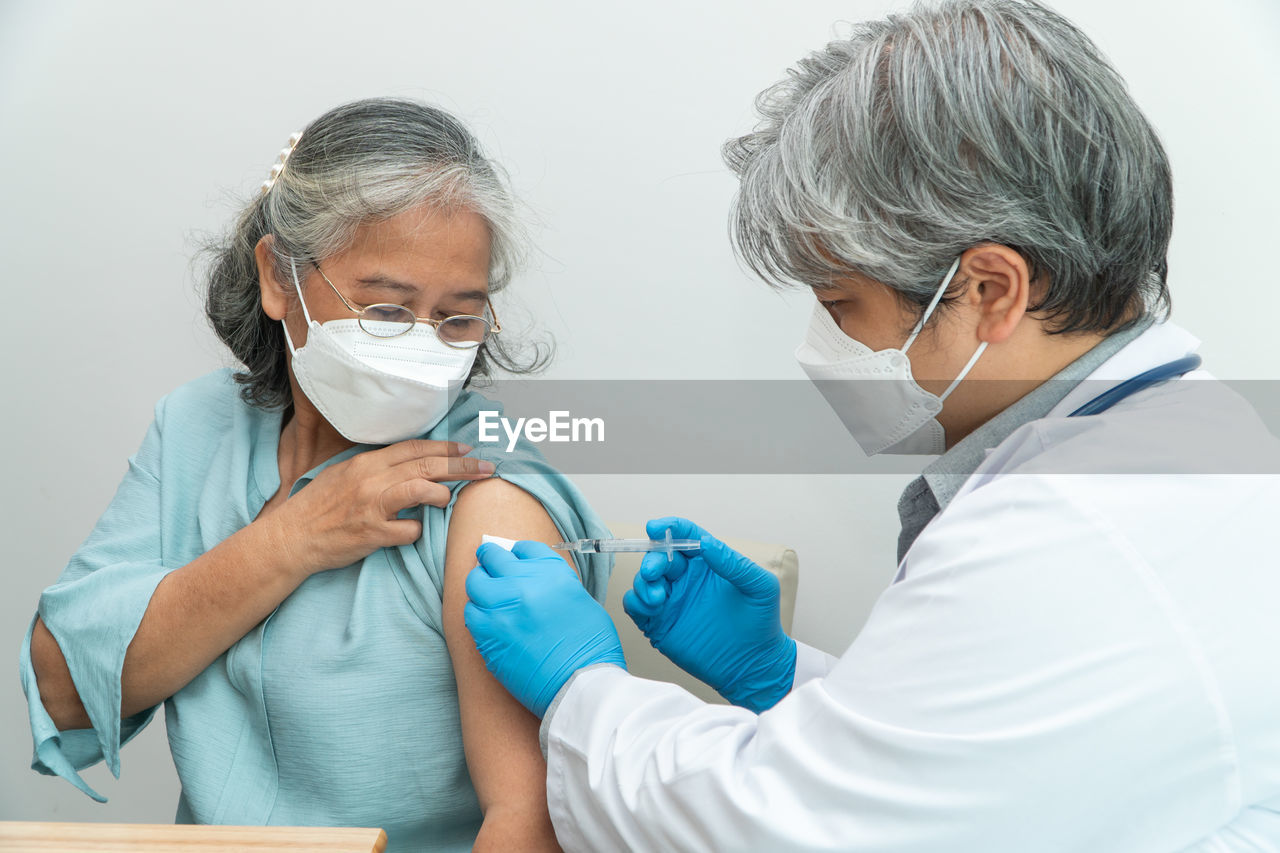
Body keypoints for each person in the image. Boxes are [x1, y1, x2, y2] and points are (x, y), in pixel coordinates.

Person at [462, 2, 1280, 850]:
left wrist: (579, 686)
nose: (824, 344)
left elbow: (790, 830)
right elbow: (968, 763)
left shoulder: (1074, 529)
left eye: (839, 303)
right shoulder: (1182, 451)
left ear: (991, 290)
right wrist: (778, 674)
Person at [20, 97, 609, 852]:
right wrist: (292, 538)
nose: (423, 347)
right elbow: (66, 687)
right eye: (386, 310)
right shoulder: (197, 430)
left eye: (457, 317)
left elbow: (529, 822)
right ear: (278, 278)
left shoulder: (484, 495)